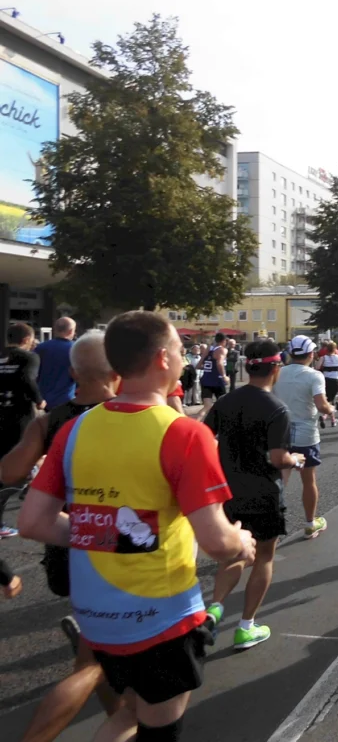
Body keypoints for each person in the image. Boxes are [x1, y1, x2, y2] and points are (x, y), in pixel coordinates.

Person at [18, 310, 256, 742]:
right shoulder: (184, 433)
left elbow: (32, 521)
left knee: (129, 713)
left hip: (95, 618)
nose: (185, 359)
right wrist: (242, 541)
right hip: (161, 618)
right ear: (163, 359)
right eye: (181, 351)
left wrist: (104, 530)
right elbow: (217, 543)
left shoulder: (73, 429)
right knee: (156, 728)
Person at [2, 331, 125, 742]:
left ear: (73, 372)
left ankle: (124, 722)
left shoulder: (52, 421)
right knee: (97, 664)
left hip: (66, 543)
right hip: (122, 550)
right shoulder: (135, 418)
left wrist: (39, 437)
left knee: (102, 654)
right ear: (118, 374)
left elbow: (8, 473)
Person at [204, 339, 306, 651]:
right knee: (263, 557)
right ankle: (246, 627)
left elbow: (204, 438)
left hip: (229, 492)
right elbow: (278, 458)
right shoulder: (277, 409)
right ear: (276, 367)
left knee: (236, 554)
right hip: (263, 493)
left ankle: (214, 609)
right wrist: (295, 460)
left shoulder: (226, 402)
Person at [273, 335, 333, 539]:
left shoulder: (278, 372)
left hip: (280, 430)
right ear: (311, 353)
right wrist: (331, 409)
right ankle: (310, 523)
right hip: (306, 432)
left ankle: (267, 525)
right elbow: (321, 405)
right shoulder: (315, 376)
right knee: (308, 480)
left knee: (279, 479)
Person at [0, 322, 44, 538]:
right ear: (27, 339)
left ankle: (32, 478)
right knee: (15, 469)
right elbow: (27, 379)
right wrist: (39, 400)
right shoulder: (29, 357)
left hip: (1, 416)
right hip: (19, 418)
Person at [35, 317, 76, 409]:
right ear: (71, 331)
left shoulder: (40, 348)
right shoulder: (76, 349)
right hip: (66, 399)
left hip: (43, 401)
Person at [197, 332, 229, 423]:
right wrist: (224, 376)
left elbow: (199, 364)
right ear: (224, 341)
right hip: (217, 380)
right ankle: (222, 427)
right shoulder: (222, 350)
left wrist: (208, 368)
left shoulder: (208, 349)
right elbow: (219, 363)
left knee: (207, 406)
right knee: (224, 405)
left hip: (206, 380)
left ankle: (196, 423)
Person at [315, 341, 338, 429]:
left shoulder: (323, 358)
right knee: (331, 400)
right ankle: (329, 419)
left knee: (327, 400)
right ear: (335, 349)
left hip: (325, 379)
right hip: (335, 379)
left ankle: (330, 418)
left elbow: (317, 367)